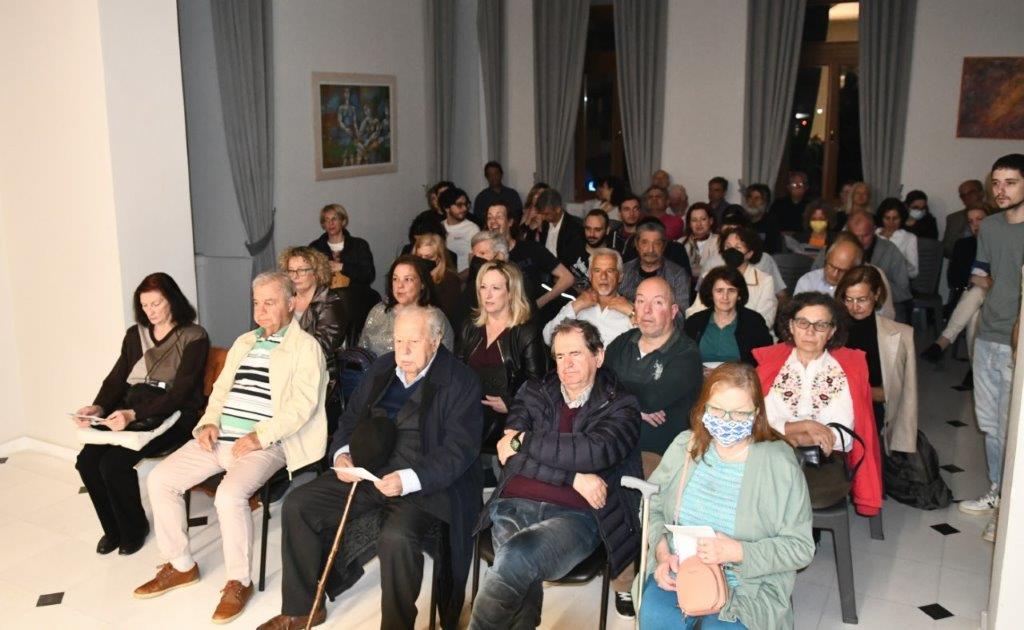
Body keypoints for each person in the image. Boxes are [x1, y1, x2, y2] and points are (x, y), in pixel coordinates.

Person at [259, 306, 483, 630]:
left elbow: (459, 451)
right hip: (369, 471)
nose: (403, 351)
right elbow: (349, 419)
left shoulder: (460, 380)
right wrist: (342, 455)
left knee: (397, 537)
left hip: (424, 484)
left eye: (414, 342)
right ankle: (302, 608)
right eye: (398, 341)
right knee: (298, 504)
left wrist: (408, 479)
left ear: (435, 341)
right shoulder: (383, 367)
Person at [135, 271, 328, 624]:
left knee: (228, 496)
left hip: (267, 443)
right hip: (221, 435)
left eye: (269, 302)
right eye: (256, 303)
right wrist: (208, 423)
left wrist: (259, 436)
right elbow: (220, 391)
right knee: (160, 479)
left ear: (291, 303)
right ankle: (180, 565)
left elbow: (302, 407)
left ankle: (239, 581)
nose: (261, 310)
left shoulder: (305, 347)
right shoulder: (244, 342)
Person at [467, 319, 642, 630]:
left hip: (575, 516)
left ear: (598, 356)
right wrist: (573, 478)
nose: (566, 364)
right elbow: (509, 455)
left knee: (514, 558)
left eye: (575, 354)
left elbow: (592, 452)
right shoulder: (533, 391)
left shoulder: (621, 405)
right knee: (514, 566)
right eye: (560, 356)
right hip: (514, 503)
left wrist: (526, 441)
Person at [636, 363, 815, 629]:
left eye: (739, 413)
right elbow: (653, 506)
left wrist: (739, 551)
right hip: (681, 570)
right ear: (703, 408)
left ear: (756, 413)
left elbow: (801, 548)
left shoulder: (778, 464)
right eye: (717, 410)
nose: (727, 421)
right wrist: (662, 554)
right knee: (655, 617)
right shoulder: (685, 446)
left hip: (748, 586)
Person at [74, 273, 209, 557]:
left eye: (156, 304)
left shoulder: (194, 336)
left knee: (113, 463)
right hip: (133, 407)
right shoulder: (135, 335)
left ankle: (134, 529)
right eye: (145, 305)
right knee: (87, 461)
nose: (150, 311)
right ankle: (114, 529)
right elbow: (117, 379)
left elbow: (180, 394)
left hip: (176, 414)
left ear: (172, 300)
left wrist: (132, 414)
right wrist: (98, 408)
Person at [602, 276, 702, 617]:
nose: (646, 310)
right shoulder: (622, 344)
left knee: (626, 490)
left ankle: (625, 579)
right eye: (640, 301)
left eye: (657, 302)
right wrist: (635, 406)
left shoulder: (686, 353)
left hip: (659, 452)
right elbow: (599, 384)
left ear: (673, 311)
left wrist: (622, 398)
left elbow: (655, 395)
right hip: (613, 441)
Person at [753, 292, 883, 517]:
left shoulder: (845, 370)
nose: (810, 332)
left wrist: (791, 436)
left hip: (822, 464)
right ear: (791, 326)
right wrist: (804, 427)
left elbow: (842, 436)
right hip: (769, 457)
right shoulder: (770, 365)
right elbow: (756, 421)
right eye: (803, 323)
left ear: (832, 331)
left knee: (777, 493)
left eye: (821, 325)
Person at [960, 154, 1024, 543]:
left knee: (1009, 425)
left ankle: (1009, 507)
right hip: (987, 334)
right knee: (989, 424)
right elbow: (980, 271)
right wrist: (992, 286)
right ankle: (998, 493)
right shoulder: (991, 226)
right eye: (996, 182)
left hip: (1016, 340)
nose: (1001, 190)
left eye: (1010, 182)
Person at [457, 261, 546, 452]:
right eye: (483, 287)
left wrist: (511, 404)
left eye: (495, 288)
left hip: (508, 420)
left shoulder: (526, 333)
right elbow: (456, 372)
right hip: (468, 415)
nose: (487, 295)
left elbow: (539, 387)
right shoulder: (470, 327)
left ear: (511, 292)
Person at [836, 266, 918, 454]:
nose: (854, 307)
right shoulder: (831, 330)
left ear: (877, 294)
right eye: (849, 299)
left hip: (873, 413)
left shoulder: (901, 334)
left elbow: (907, 395)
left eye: (862, 300)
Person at [921, 205, 991, 363]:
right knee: (975, 314)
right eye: (971, 221)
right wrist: (973, 279)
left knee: (978, 293)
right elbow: (953, 278)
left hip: (997, 296)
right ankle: (975, 369)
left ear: (991, 221)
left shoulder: (1002, 244)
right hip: (969, 296)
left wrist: (986, 281)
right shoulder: (963, 245)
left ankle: (943, 342)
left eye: (979, 219)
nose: (975, 225)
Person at [813, 210, 911, 320]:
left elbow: (903, 291)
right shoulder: (834, 249)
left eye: (865, 235)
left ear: (874, 230)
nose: (860, 241)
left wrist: (873, 290)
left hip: (880, 311)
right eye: (855, 236)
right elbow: (813, 277)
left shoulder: (890, 251)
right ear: (847, 231)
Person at [486, 202, 574, 320]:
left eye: (499, 216)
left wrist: (539, 303)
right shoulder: (485, 255)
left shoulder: (531, 249)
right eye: (489, 217)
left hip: (533, 317)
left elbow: (567, 278)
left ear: (510, 222)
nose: (493, 221)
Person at [359, 256, 455, 356]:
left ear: (422, 283)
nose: (400, 285)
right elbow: (361, 353)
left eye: (408, 279)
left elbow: (444, 361)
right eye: (395, 279)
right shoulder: (378, 311)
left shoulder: (434, 318)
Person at [687, 226, 777, 327]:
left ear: (749, 254)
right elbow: (694, 311)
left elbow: (766, 319)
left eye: (738, 248)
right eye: (728, 246)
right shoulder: (710, 276)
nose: (732, 251)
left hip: (750, 333)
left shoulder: (765, 281)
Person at [543, 248, 634, 346]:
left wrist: (631, 313)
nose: (603, 277)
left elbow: (646, 345)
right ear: (590, 275)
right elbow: (548, 338)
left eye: (610, 271)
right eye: (597, 271)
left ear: (620, 276)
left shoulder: (630, 310)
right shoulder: (577, 306)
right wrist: (576, 306)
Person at [684, 265, 773, 366]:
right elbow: (683, 359)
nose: (725, 297)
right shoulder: (694, 322)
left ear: (739, 295)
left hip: (741, 375)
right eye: (719, 291)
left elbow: (766, 361)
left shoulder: (754, 322)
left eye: (731, 291)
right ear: (711, 294)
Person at [278, 247, 345, 376]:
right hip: (284, 367)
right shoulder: (284, 299)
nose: (295, 276)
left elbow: (319, 351)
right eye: (291, 271)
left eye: (301, 270)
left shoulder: (331, 303)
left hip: (318, 373)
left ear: (316, 273)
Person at [620, 219, 691, 311]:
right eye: (645, 243)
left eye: (657, 243)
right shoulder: (624, 270)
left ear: (664, 246)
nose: (651, 250)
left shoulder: (677, 274)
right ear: (637, 244)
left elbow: (681, 314)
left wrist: (631, 311)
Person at [309, 203, 376, 287]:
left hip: (356, 294)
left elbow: (369, 275)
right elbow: (309, 277)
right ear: (323, 224)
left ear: (343, 221)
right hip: (326, 294)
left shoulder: (359, 245)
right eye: (327, 220)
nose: (330, 223)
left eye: (334, 219)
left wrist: (343, 267)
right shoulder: (314, 248)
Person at [412, 232, 463, 327]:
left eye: (429, 257)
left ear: (439, 257)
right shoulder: (413, 277)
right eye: (419, 256)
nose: (423, 260)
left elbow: (447, 316)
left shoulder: (449, 280)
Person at [538, 188, 588, 280]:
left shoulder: (575, 227)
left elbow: (574, 260)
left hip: (565, 275)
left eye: (546, 214)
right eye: (542, 214)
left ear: (558, 209)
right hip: (544, 273)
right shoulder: (544, 224)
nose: (543, 217)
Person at [439, 187, 481, 274]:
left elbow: (475, 264)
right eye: (459, 205)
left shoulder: (472, 229)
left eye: (466, 204)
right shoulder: (439, 226)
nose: (464, 208)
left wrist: (458, 279)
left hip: (464, 278)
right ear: (446, 208)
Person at [875, 197, 920, 278]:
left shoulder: (909, 238)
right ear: (881, 218)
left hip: (896, 281)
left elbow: (914, 273)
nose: (891, 222)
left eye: (895, 218)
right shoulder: (873, 235)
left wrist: (900, 262)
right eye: (887, 218)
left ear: (901, 218)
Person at [942, 179, 986, 258]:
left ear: (981, 193)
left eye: (971, 193)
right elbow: (946, 249)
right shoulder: (953, 219)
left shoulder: (995, 215)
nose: (967, 197)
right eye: (963, 195)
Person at [678, 202, 719, 283]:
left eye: (703, 219)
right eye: (694, 220)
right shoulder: (680, 243)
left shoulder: (720, 241)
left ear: (711, 221)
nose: (699, 224)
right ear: (689, 223)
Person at [409, 180, 455, 245]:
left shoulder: (462, 215)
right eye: (433, 198)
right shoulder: (424, 218)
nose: (437, 200)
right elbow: (415, 237)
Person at [742, 183, 784, 254]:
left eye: (757, 198)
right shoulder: (741, 219)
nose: (752, 201)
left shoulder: (771, 221)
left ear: (765, 202)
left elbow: (775, 249)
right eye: (750, 197)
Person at [578, 208, 612, 279]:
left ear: (607, 230)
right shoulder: (572, 247)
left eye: (597, 230)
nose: (591, 234)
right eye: (588, 229)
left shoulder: (613, 259)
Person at [609, 193, 643, 260]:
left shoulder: (647, 235)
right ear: (619, 214)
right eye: (627, 209)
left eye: (635, 209)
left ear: (640, 212)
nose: (632, 213)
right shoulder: (613, 235)